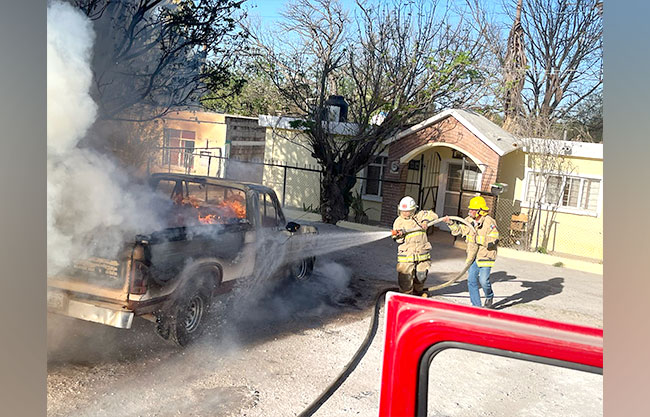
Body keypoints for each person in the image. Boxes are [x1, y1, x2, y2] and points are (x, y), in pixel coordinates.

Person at [443, 196, 499, 308]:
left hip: (485, 255)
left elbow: (494, 239)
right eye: (470, 209)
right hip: (472, 256)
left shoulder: (489, 222)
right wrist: (450, 223)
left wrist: (479, 239)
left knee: (483, 281)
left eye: (473, 209)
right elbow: (458, 230)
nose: (470, 211)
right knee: (471, 280)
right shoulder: (468, 221)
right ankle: (476, 306)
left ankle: (489, 296)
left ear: (480, 211)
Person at [391, 196, 438, 296]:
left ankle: (417, 292)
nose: (404, 213)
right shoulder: (398, 221)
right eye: (402, 211)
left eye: (407, 211)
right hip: (407, 254)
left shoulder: (420, 216)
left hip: (422, 253)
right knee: (405, 278)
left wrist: (425, 221)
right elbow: (398, 240)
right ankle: (406, 295)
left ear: (413, 210)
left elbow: (433, 215)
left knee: (421, 276)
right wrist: (398, 235)